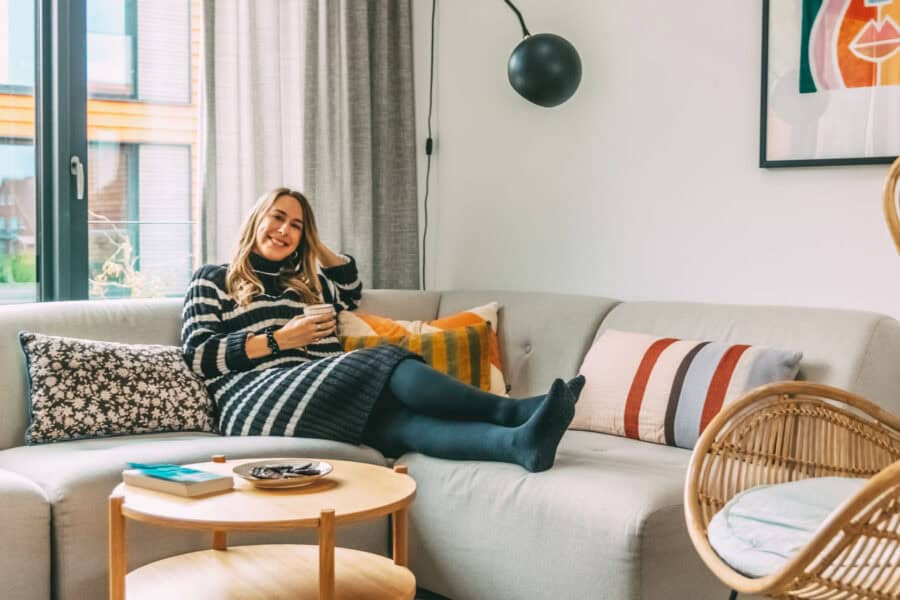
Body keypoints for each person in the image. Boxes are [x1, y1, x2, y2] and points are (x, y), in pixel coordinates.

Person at [181, 187, 582, 472]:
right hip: (252, 400)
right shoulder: (213, 279)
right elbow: (198, 356)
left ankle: (520, 445)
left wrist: (315, 244)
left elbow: (350, 287)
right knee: (384, 360)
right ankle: (511, 410)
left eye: (297, 226)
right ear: (257, 219)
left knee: (400, 426)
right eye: (278, 217)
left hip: (316, 392)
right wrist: (281, 339)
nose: (284, 230)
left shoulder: (305, 286)